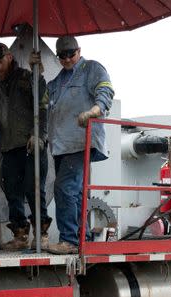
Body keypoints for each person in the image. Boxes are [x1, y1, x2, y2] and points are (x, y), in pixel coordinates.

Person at [45, 35, 114, 254]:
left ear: (79, 50)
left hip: (81, 142)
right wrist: (35, 71)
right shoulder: (56, 82)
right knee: (75, 193)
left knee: (64, 188)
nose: (66, 59)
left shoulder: (92, 69)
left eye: (70, 54)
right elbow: (40, 103)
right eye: (62, 56)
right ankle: (81, 238)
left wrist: (95, 110)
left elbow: (105, 90)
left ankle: (69, 240)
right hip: (60, 144)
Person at [0, 42, 52, 250]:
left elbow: (44, 104)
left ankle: (41, 234)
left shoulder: (26, 77)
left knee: (33, 189)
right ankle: (20, 235)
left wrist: (39, 134)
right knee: (12, 191)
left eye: (0, 61)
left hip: (31, 144)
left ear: (9, 57)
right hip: (8, 146)